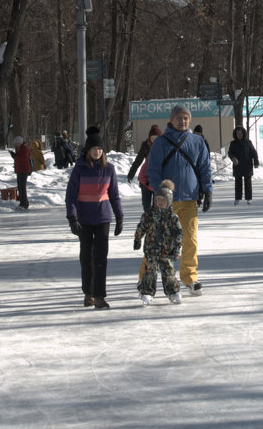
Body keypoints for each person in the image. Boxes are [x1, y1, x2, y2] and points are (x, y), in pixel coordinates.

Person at [146, 105, 213, 297]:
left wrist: (207, 191)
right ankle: (148, 278)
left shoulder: (197, 141)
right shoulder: (161, 143)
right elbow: (153, 171)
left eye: (186, 118)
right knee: (158, 241)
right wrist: (161, 192)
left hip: (190, 199)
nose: (182, 122)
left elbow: (204, 168)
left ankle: (190, 277)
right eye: (179, 118)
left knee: (189, 239)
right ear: (172, 120)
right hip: (166, 201)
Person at [66, 129, 124, 309]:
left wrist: (119, 217)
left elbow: (114, 195)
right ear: (88, 150)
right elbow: (71, 196)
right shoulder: (79, 169)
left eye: (100, 149)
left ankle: (99, 295)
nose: (97, 152)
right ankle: (88, 293)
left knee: (100, 259)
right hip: (84, 219)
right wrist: (72, 217)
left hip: (103, 218)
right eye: (94, 149)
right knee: (86, 258)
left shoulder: (109, 169)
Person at [134, 179, 184, 306]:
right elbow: (141, 227)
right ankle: (147, 292)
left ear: (169, 202)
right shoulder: (149, 215)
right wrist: (137, 238)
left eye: (163, 200)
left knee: (169, 272)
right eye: (158, 200)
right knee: (149, 271)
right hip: (151, 250)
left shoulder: (173, 218)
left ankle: (173, 291)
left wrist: (177, 248)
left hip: (167, 251)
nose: (160, 203)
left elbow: (178, 233)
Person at [127, 124, 163, 214]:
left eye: (157, 138)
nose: (154, 140)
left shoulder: (163, 146)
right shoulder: (146, 145)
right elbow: (138, 160)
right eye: (152, 138)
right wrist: (131, 173)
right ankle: (148, 221)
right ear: (149, 138)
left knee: (157, 206)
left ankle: (155, 224)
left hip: (158, 179)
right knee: (146, 206)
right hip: (146, 179)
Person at [228, 126, 260, 204]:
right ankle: (238, 198)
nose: (239, 135)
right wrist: (233, 158)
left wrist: (256, 161)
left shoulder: (248, 142)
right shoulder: (233, 143)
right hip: (237, 165)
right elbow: (230, 153)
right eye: (238, 133)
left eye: (241, 133)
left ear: (243, 134)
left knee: (248, 182)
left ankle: (248, 198)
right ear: (235, 134)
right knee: (238, 182)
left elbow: (253, 152)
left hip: (247, 165)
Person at [10, 136, 32, 209]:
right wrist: (14, 155)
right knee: (20, 187)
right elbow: (18, 158)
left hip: (24, 170)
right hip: (20, 170)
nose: (15, 145)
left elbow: (23, 158)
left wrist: (15, 156)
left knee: (22, 187)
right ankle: (23, 202)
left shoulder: (24, 148)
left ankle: (24, 203)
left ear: (19, 143)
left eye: (16, 143)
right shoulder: (19, 149)